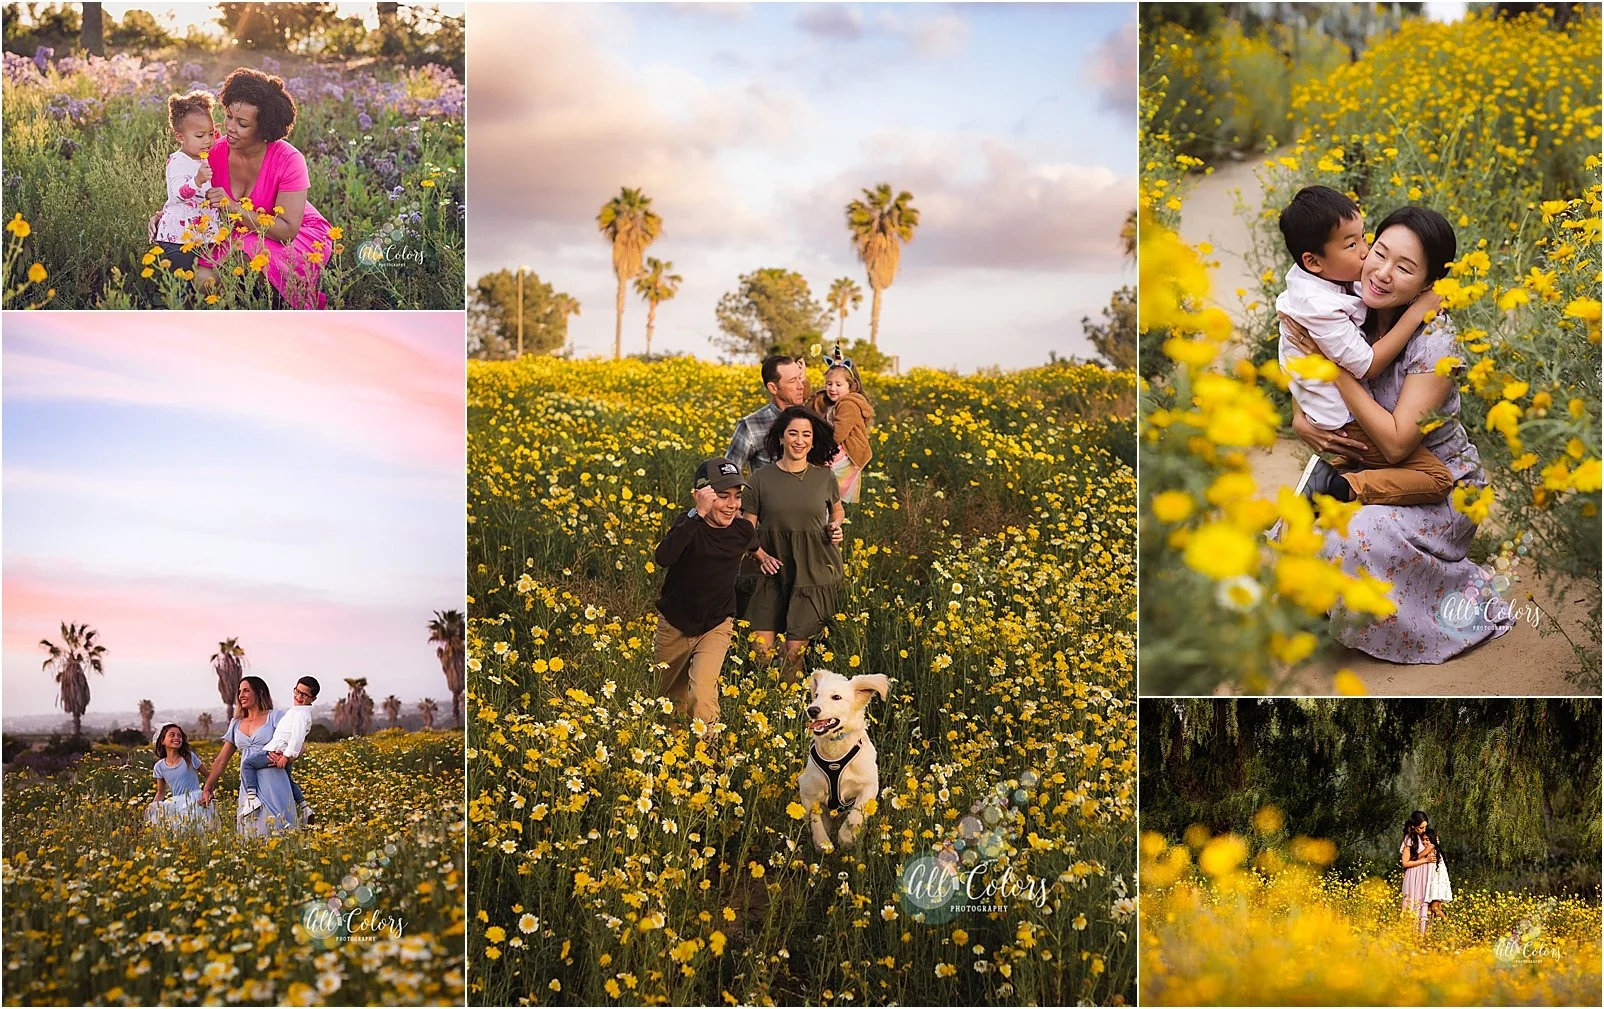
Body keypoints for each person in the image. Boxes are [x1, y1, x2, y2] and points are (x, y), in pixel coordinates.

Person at [1286, 206, 1515, 663]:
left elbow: (1395, 442)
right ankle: (1333, 600)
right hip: (1376, 469)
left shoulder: (1437, 342)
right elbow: (1299, 348)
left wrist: (1332, 370)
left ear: (1429, 285)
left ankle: (1456, 599)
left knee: (1352, 534)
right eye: (1380, 253)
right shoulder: (1354, 303)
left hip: (1439, 486)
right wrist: (1299, 416)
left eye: (1405, 267)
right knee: (1297, 529)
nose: (1383, 273)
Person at [1275, 185, 1452, 505]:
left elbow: (1304, 355)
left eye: (1364, 239)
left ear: (1429, 282)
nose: (1369, 258)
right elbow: (1364, 365)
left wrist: (1325, 373)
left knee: (1439, 478)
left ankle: (1337, 483)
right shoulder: (1329, 306)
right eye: (1378, 252)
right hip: (1354, 431)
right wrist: (1416, 312)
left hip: (1404, 450)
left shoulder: (1336, 284)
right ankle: (1339, 485)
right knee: (1437, 480)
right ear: (1313, 261)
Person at [198, 68, 333, 309]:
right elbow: (191, 194)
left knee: (247, 256)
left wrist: (233, 208)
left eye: (242, 123)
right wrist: (164, 216)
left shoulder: (290, 160)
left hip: (295, 234)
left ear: (264, 129)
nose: (229, 127)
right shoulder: (214, 153)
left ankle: (283, 302)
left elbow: (287, 230)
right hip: (238, 232)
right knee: (203, 280)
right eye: (228, 116)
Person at [652, 458, 759, 735]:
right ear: (700, 496)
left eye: (737, 497)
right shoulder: (688, 526)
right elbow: (663, 557)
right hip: (675, 622)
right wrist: (695, 515)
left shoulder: (742, 530)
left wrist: (762, 555)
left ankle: (709, 759)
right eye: (722, 497)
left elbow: (752, 542)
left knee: (702, 690)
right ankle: (673, 752)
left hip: (716, 623)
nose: (732, 505)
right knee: (667, 697)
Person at [744, 406, 845, 681]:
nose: (799, 440)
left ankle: (791, 712)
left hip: (813, 569)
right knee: (761, 651)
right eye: (793, 433)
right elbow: (746, 526)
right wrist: (759, 554)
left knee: (793, 653)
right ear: (781, 438)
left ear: (812, 441)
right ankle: (765, 706)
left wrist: (836, 527)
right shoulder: (760, 479)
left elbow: (836, 511)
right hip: (770, 568)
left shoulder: (824, 476)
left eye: (806, 435)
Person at [199, 675, 301, 834]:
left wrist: (286, 757)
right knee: (251, 832)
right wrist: (208, 786)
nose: (241, 695)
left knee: (279, 832)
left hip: (273, 782)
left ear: (259, 693)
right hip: (249, 786)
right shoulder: (236, 723)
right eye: (239, 692)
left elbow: (299, 745)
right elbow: (221, 760)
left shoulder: (275, 717)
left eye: (246, 690)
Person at [150, 91, 220, 279]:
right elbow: (178, 193)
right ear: (180, 137)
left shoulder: (202, 157)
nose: (208, 140)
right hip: (178, 237)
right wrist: (197, 180)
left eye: (211, 133)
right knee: (181, 281)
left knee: (197, 281)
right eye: (200, 135)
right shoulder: (178, 160)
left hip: (199, 235)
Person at [240, 675, 317, 824]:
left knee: (247, 764)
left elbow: (297, 738)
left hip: (275, 752)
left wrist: (286, 756)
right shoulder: (297, 711)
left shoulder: (301, 715)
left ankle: (252, 800)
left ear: (312, 698)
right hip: (279, 751)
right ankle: (304, 807)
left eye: (304, 694)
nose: (299, 696)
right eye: (297, 691)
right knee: (289, 781)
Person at [807, 347, 875, 505]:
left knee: (818, 478)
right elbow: (809, 401)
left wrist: (822, 447)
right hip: (838, 448)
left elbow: (839, 433)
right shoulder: (833, 402)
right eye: (829, 383)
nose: (832, 388)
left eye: (838, 384)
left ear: (851, 387)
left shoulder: (848, 405)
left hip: (844, 451)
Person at [727, 354, 808, 473]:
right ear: (773, 388)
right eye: (792, 381)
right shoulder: (751, 426)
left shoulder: (814, 417)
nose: (800, 386)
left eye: (800, 378)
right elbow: (729, 475)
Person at [146, 723, 216, 831]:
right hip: (176, 804)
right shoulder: (159, 767)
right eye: (172, 735)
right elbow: (160, 792)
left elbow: (209, 776)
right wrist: (152, 807)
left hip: (196, 802)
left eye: (179, 736)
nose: (176, 738)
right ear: (162, 741)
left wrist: (209, 793)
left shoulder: (189, 758)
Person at [1400, 810, 1438, 934]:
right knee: (1413, 904)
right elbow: (1405, 863)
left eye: (1425, 827)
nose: (1423, 829)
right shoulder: (1409, 839)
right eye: (1421, 827)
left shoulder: (1423, 837)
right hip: (1413, 877)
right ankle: (1410, 935)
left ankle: (1422, 936)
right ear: (1413, 826)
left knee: (1423, 903)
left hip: (1424, 876)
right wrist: (1425, 860)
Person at [1420, 822, 1454, 922]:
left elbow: (1417, 856)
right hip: (1436, 882)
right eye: (1422, 840)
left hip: (1436, 883)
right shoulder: (1434, 848)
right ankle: (1438, 929)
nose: (1424, 842)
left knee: (1435, 908)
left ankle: (1449, 926)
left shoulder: (1431, 847)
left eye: (1427, 839)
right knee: (1434, 909)